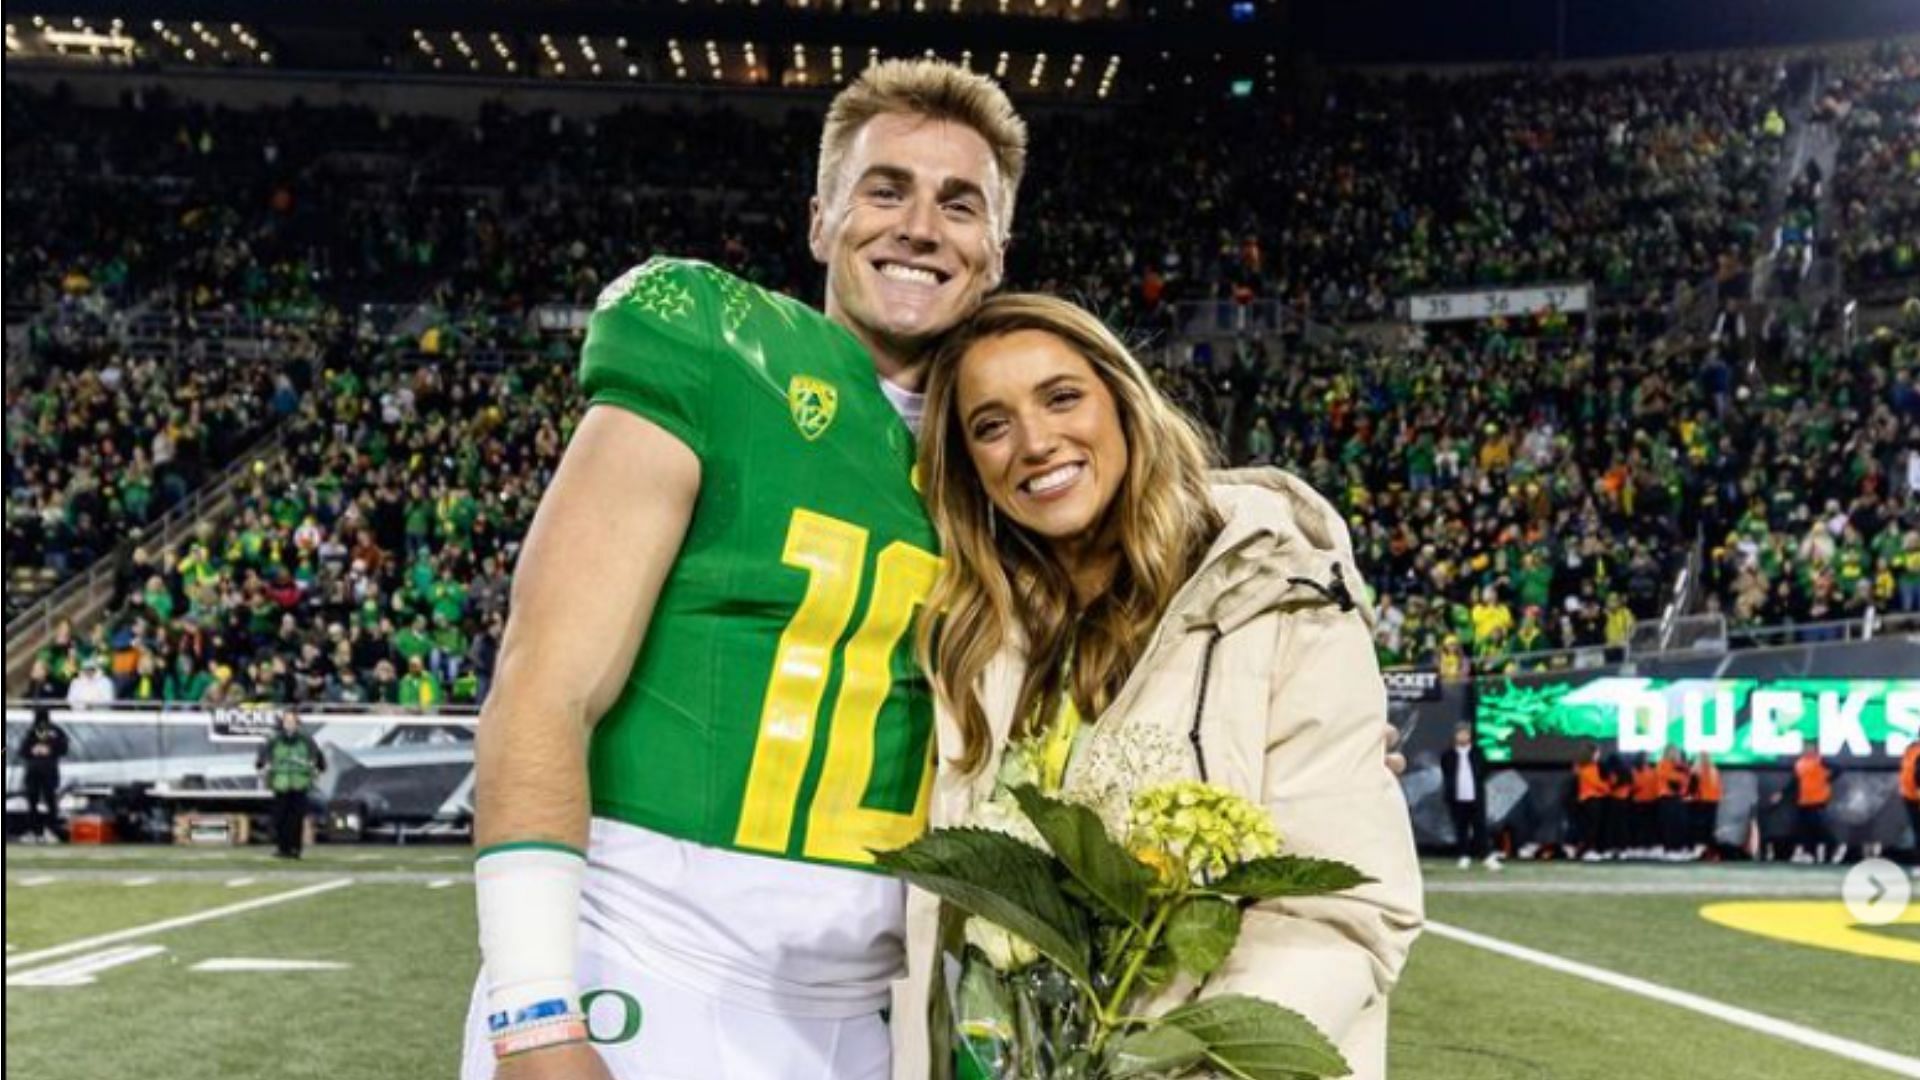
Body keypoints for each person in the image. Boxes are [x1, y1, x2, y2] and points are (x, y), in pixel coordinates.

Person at [465, 60, 1026, 1080]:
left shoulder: (1005, 457)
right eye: (884, 189)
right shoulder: (719, 343)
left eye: (959, 204)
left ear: (995, 251)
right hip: (641, 959)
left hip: (861, 1012)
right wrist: (537, 1012)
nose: (918, 227)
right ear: (821, 220)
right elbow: (544, 681)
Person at [896, 294, 1423, 1080]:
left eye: (1062, 396)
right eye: (991, 425)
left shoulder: (1280, 594)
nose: (1036, 443)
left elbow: (1343, 914)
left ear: (1124, 399)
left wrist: (1164, 1066)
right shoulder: (973, 637)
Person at [256, 710, 326, 859]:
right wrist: (264, 767)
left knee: (296, 818)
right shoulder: (274, 740)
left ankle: (295, 848)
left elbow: (318, 759)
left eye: (292, 721)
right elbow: (262, 759)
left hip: (299, 783)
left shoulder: (306, 740)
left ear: (297, 723)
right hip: (280, 783)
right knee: (280, 818)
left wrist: (316, 769)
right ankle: (282, 848)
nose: (289, 724)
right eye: (287, 721)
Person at [1441, 722, 1501, 871]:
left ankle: (1486, 856)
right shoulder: (1448, 755)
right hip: (1457, 797)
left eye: (1465, 733)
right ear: (1455, 736)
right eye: (1460, 733)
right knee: (1461, 827)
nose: (1462, 736)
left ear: (1470, 736)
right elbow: (1446, 772)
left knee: (1480, 827)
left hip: (1475, 797)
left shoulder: (1478, 753)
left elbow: (1485, 770)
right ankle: (1463, 856)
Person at [1771, 747, 1837, 864]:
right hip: (1804, 802)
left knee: (1820, 829)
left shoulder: (1821, 761)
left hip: (1818, 802)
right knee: (1806, 830)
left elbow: (1838, 769)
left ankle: (1829, 850)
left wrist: (1827, 779)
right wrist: (1782, 793)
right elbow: (1795, 781)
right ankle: (1812, 854)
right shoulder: (1800, 763)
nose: (1807, 751)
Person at [16, 709, 71, 843]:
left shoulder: (52, 731)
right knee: (36, 801)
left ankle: (49, 830)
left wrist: (49, 750)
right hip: (38, 770)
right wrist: (34, 750)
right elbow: (22, 750)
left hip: (45, 770)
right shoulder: (35, 731)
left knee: (48, 801)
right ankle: (37, 831)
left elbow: (63, 748)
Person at [1572, 744, 1613, 861]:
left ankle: (1588, 850)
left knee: (1592, 827)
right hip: (1591, 800)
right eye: (1597, 753)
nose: (1598, 755)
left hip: (1591, 800)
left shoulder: (1586, 767)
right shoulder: (1588, 768)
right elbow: (1597, 783)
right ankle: (1587, 851)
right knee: (1591, 828)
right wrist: (1608, 787)